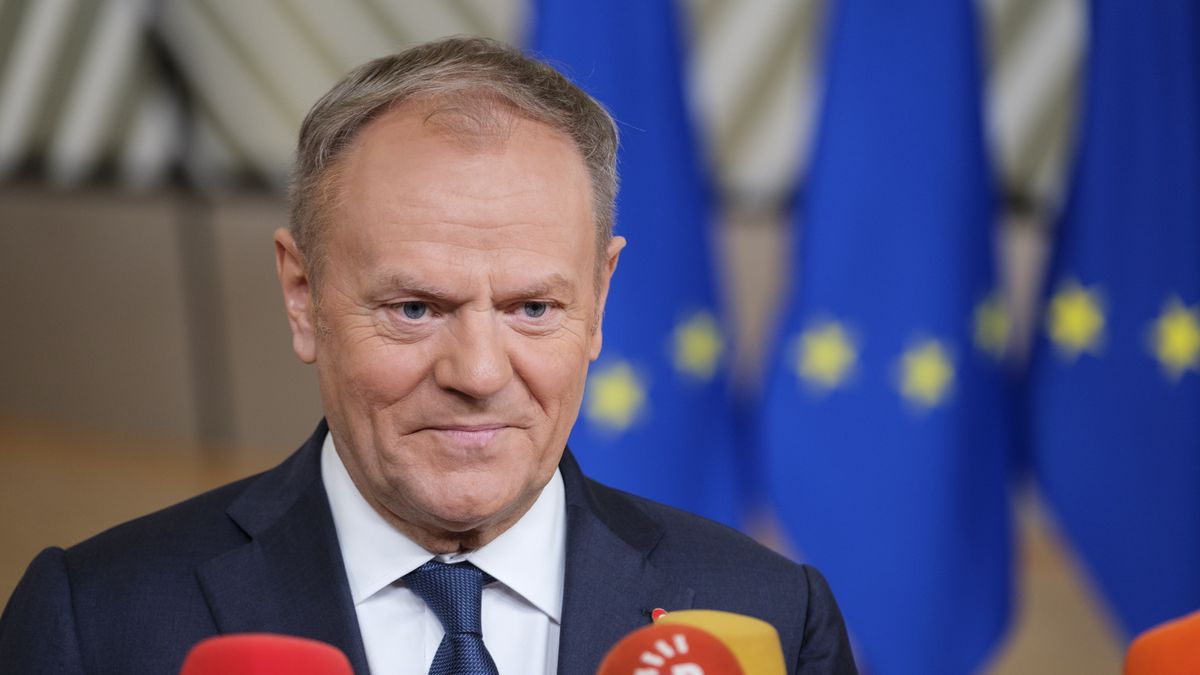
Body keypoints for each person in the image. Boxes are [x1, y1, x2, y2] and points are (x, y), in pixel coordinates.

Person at [0, 37, 857, 674]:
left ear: (598, 301)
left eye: (532, 307)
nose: (479, 373)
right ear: (302, 295)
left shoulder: (770, 618)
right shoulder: (96, 622)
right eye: (415, 308)